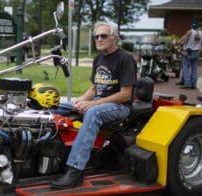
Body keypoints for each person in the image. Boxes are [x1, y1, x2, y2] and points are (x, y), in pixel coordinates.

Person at [51, 21, 137, 189]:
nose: (99, 39)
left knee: (93, 113)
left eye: (103, 36)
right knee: (56, 105)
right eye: (96, 36)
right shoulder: (99, 58)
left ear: (115, 38)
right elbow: (94, 88)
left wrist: (93, 103)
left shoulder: (126, 59)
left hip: (120, 106)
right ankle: (51, 154)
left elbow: (126, 94)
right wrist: (81, 100)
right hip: (98, 102)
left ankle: (75, 170)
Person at [179, 20, 202, 89]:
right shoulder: (200, 33)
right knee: (194, 69)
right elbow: (201, 44)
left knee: (185, 68)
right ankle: (193, 84)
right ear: (198, 26)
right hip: (196, 52)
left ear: (191, 26)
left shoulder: (190, 32)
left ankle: (187, 83)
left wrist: (181, 45)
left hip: (188, 52)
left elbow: (183, 41)